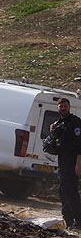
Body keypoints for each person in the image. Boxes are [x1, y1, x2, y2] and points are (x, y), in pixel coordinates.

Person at [50, 97, 81, 229]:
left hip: (73, 161)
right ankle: (68, 221)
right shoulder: (57, 124)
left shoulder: (75, 123)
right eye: (61, 106)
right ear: (57, 108)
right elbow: (54, 145)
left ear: (69, 107)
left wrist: (78, 164)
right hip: (62, 162)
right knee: (62, 191)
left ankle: (79, 220)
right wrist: (52, 132)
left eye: (65, 106)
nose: (63, 108)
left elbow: (80, 145)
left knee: (70, 191)